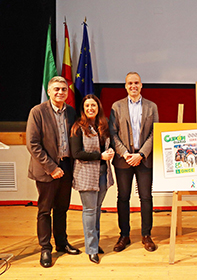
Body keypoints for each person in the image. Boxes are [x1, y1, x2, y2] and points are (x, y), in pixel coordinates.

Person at [26, 76, 81, 268]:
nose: (60, 92)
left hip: (66, 167)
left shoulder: (72, 111)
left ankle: (61, 242)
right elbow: (32, 144)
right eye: (56, 89)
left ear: (67, 92)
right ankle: (45, 248)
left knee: (62, 208)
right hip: (46, 169)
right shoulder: (37, 112)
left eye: (63, 89)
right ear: (49, 91)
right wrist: (51, 168)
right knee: (44, 210)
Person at [109, 72, 159, 252]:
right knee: (123, 198)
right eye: (130, 83)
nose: (133, 86)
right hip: (124, 160)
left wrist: (142, 154)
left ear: (141, 85)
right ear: (125, 86)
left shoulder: (151, 106)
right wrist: (125, 153)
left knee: (146, 198)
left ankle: (146, 235)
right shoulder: (117, 106)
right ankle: (124, 235)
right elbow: (112, 133)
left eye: (136, 83)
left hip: (144, 160)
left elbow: (155, 133)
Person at [70, 94, 115, 264]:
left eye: (93, 106)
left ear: (98, 108)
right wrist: (100, 156)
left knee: (97, 210)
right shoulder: (77, 128)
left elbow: (106, 147)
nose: (90, 109)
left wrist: (109, 153)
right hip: (86, 175)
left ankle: (94, 243)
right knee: (89, 211)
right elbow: (77, 154)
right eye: (87, 106)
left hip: (103, 174)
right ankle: (91, 249)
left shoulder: (103, 125)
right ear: (83, 109)